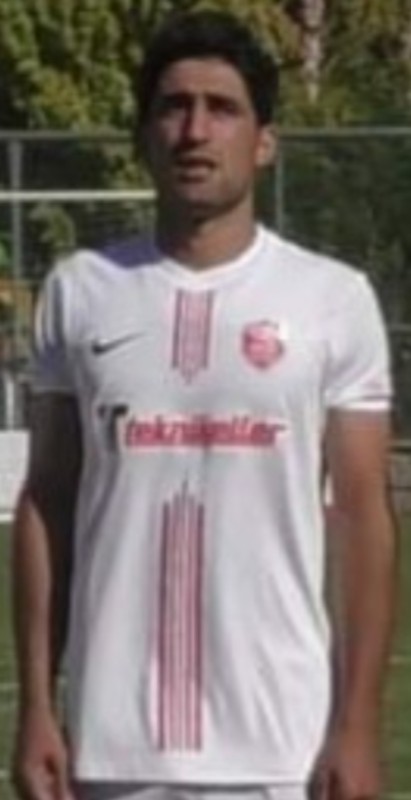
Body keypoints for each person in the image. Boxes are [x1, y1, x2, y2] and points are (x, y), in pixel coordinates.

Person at [11, 10, 397, 800]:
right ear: (142, 137)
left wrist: (355, 725)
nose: (194, 130)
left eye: (221, 109)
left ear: (263, 142)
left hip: (281, 751)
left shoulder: (331, 298)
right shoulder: (80, 291)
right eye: (173, 107)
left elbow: (362, 516)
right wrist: (38, 708)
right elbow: (47, 501)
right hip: (111, 749)